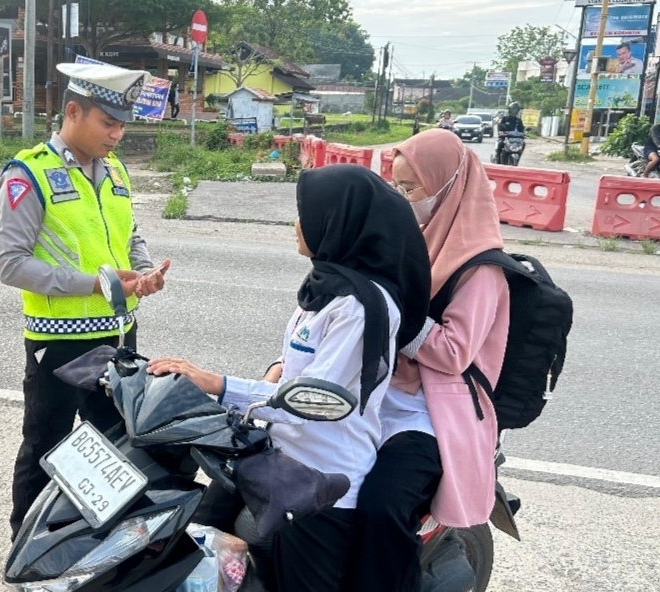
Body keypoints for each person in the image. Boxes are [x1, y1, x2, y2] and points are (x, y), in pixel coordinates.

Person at [147, 165, 432, 591]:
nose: (297, 224)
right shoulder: (327, 286)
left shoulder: (361, 308)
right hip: (277, 458)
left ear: (338, 223)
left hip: (320, 485)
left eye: (307, 213)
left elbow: (310, 403)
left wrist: (219, 385)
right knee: (195, 550)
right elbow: (296, 366)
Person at [0, 61, 171, 540]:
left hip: (118, 335)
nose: (117, 135)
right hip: (60, 341)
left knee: (115, 445)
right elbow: (10, 264)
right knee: (45, 444)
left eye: (122, 125)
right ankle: (26, 545)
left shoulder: (115, 171)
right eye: (108, 123)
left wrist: (146, 273)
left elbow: (128, 235)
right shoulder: (27, 173)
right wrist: (95, 283)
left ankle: (92, 542)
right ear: (73, 112)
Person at [350, 128, 509, 592]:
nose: (402, 198)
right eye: (396, 187)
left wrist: (396, 312)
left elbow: (455, 351)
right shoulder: (411, 240)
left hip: (435, 413)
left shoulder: (481, 267)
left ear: (447, 185)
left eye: (410, 188)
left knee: (380, 505)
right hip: (384, 392)